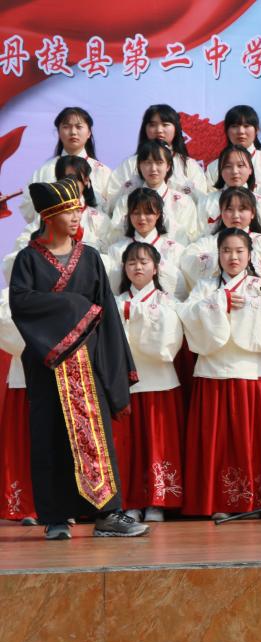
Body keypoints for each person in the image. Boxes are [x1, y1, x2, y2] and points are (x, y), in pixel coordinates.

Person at [9, 178, 149, 539]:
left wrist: (116, 370)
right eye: (67, 211)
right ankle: (56, 518)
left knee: (96, 437)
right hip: (48, 364)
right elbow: (22, 305)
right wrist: (76, 307)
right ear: (48, 216)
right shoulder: (28, 259)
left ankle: (108, 514)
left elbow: (107, 315)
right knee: (50, 438)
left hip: (89, 364)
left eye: (77, 210)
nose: (76, 217)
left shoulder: (89, 257)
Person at [178, 228, 261, 518]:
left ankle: (255, 500)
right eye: (226, 251)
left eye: (240, 251)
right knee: (217, 441)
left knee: (250, 439)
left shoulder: (260, 286)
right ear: (218, 254)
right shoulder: (206, 287)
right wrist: (219, 303)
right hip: (213, 370)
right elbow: (187, 314)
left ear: (250, 254)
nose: (233, 257)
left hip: (250, 371)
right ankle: (220, 502)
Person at [112, 243, 185, 522]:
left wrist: (136, 314)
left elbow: (169, 341)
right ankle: (130, 500)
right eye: (131, 262)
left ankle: (158, 501)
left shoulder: (168, 303)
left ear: (156, 268)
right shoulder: (116, 302)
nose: (138, 267)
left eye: (144, 262)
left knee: (158, 442)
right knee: (128, 446)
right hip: (126, 383)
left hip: (159, 380)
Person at [180, 187, 261, 290]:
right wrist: (223, 258)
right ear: (221, 212)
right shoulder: (209, 241)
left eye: (242, 209)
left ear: (252, 213)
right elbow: (188, 261)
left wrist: (251, 257)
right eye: (229, 209)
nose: (235, 215)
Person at [21, 107, 116, 220]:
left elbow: (113, 208)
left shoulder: (102, 170)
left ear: (89, 133)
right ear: (58, 132)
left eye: (79, 127)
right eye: (66, 127)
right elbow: (28, 206)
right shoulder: (45, 170)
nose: (73, 132)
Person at [110, 140, 202, 244]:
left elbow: (188, 239)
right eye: (148, 163)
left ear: (168, 166)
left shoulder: (184, 202)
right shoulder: (125, 202)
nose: (153, 169)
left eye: (159, 163)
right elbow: (116, 237)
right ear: (139, 166)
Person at [111, 104, 209, 201]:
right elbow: (112, 200)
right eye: (152, 125)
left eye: (165, 124)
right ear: (145, 129)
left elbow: (202, 202)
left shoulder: (189, 165)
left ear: (176, 128)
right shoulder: (130, 163)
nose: (159, 130)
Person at [107, 188, 186, 300]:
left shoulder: (176, 249)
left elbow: (180, 292)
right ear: (129, 215)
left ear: (158, 214)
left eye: (148, 212)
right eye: (136, 213)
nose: (142, 218)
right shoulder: (116, 250)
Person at [204, 105, 261, 206]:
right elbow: (208, 204)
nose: (241, 131)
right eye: (234, 126)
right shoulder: (214, 167)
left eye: (246, 126)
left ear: (256, 129)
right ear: (227, 131)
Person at [0, 289, 35, 524]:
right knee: (23, 443)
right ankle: (26, 506)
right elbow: (6, 329)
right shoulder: (7, 297)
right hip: (23, 374)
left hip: (62, 372)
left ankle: (64, 508)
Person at [198, 144, 261, 236]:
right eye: (228, 166)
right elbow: (200, 235)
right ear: (220, 170)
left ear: (250, 169)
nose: (235, 171)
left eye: (240, 165)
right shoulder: (206, 202)